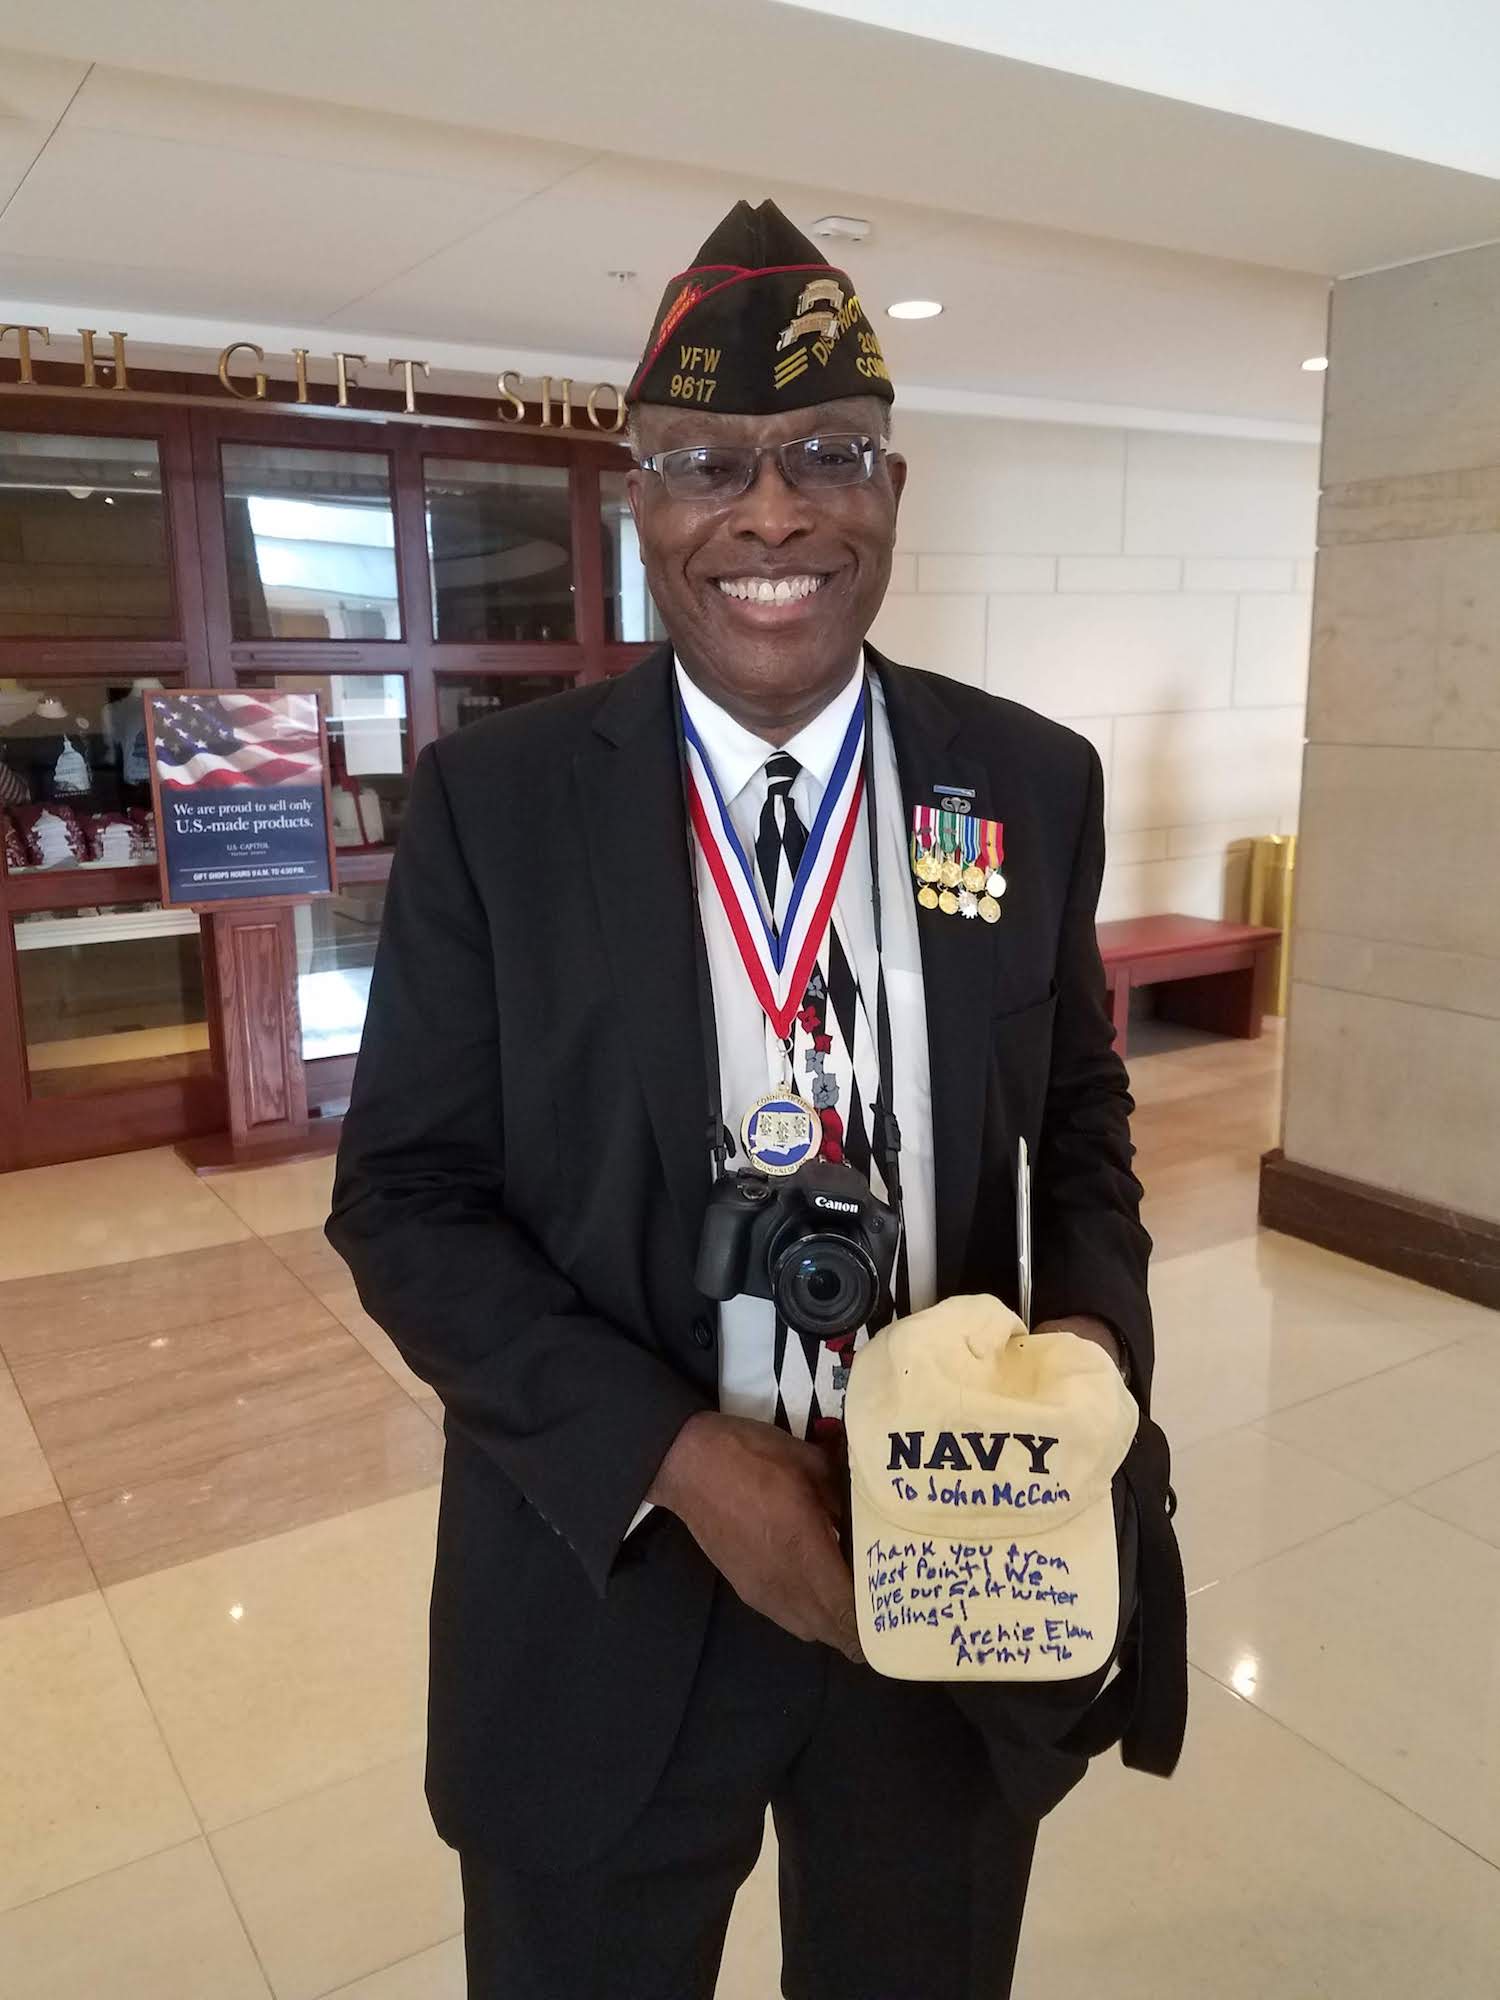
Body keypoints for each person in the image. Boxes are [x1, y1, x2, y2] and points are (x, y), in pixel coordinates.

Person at [328, 198, 1185, 2000]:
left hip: (949, 1559)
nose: (774, 513)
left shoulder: (1022, 781)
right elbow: (405, 1200)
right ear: (643, 501)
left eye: (829, 457)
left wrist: (1093, 1349)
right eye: (708, 464)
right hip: (611, 1577)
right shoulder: (500, 807)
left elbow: (1083, 1122)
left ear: (893, 485)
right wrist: (692, 1468)